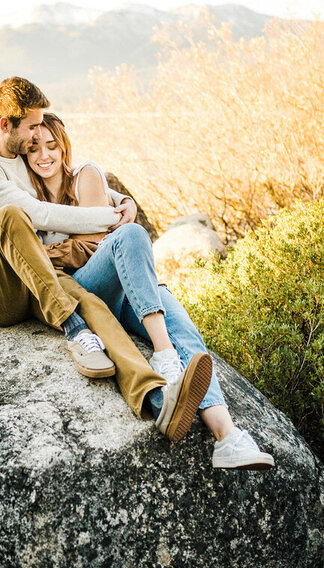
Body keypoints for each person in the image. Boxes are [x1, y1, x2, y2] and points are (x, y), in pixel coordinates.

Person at [0, 77, 211, 442]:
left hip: (37, 279)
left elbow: (69, 177)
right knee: (11, 216)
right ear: (5, 125)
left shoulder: (21, 158)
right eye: (30, 128)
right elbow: (37, 213)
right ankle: (73, 328)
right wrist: (109, 218)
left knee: (95, 308)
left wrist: (122, 201)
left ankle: (157, 399)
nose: (36, 137)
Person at [23, 111, 275, 470]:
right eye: (34, 149)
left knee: (185, 331)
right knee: (129, 235)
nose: (44, 155)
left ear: (64, 148)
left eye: (52, 146)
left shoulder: (86, 177)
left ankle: (227, 437)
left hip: (130, 287)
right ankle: (165, 358)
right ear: (25, 154)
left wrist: (47, 253)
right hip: (88, 291)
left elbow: (95, 242)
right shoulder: (27, 196)